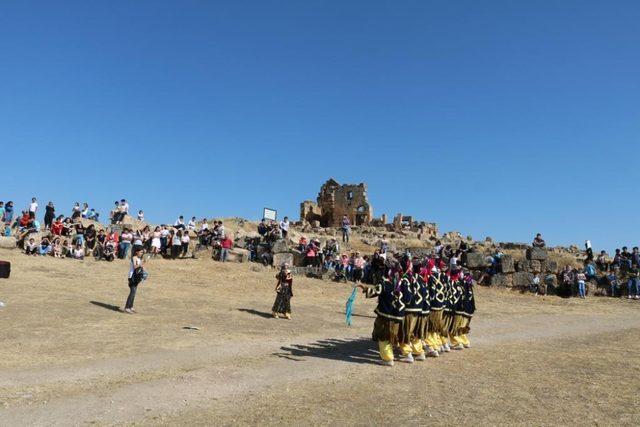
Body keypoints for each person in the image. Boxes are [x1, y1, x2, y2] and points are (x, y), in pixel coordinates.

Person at [124, 248, 147, 314]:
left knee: (134, 292)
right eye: (141, 252)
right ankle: (127, 308)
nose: (141, 253)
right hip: (132, 277)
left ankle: (130, 307)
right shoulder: (134, 257)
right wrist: (141, 264)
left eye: (142, 252)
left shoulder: (139, 259)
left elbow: (140, 267)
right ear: (137, 252)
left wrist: (144, 263)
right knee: (132, 292)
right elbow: (135, 267)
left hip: (136, 277)